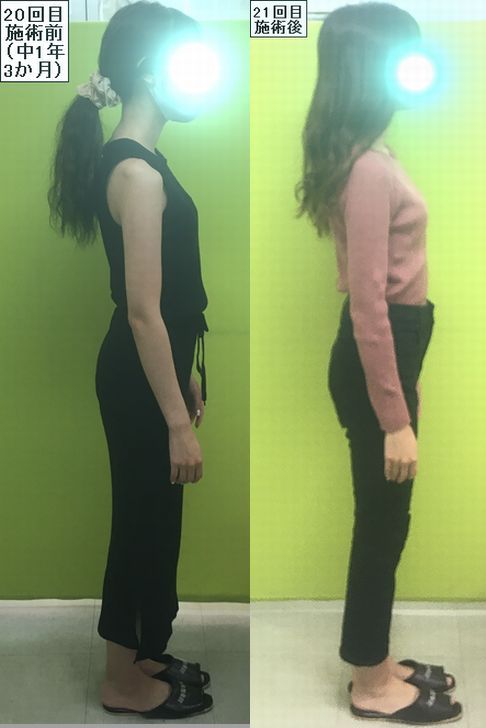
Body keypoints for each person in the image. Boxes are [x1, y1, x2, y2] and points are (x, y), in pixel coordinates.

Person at [296, 3, 462, 725]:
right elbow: (369, 305)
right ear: (372, 69)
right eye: (402, 56)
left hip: (392, 350)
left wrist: (407, 383)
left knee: (388, 519)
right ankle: (369, 683)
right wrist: (395, 418)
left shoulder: (371, 153)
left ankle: (376, 658)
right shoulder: (366, 168)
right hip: (377, 353)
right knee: (382, 523)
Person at [47, 2, 212, 720]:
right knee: (142, 520)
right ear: (151, 71)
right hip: (139, 373)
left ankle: (144, 652)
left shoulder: (138, 162)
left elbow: (161, 302)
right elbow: (143, 309)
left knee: (157, 518)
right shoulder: (137, 174)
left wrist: (186, 372)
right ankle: (120, 680)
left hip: (155, 366)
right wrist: (176, 421)